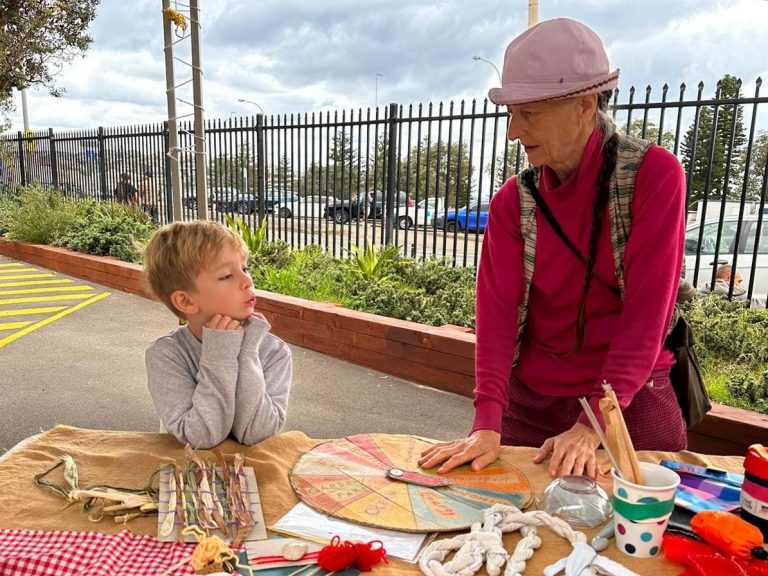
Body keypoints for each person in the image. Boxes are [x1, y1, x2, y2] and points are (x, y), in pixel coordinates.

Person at [419, 18, 687, 479]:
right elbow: (498, 314)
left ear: (584, 105)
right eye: (511, 114)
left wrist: (592, 426)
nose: (513, 131)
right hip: (532, 404)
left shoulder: (654, 175)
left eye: (529, 113)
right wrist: (486, 422)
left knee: (636, 538)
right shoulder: (512, 201)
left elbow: (648, 315)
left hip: (629, 404)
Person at [142, 220, 292, 448]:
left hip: (255, 477)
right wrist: (219, 356)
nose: (247, 281)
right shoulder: (166, 355)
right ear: (186, 300)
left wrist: (247, 351)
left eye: (245, 268)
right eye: (226, 276)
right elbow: (199, 437)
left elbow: (257, 433)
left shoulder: (274, 352)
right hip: (189, 476)